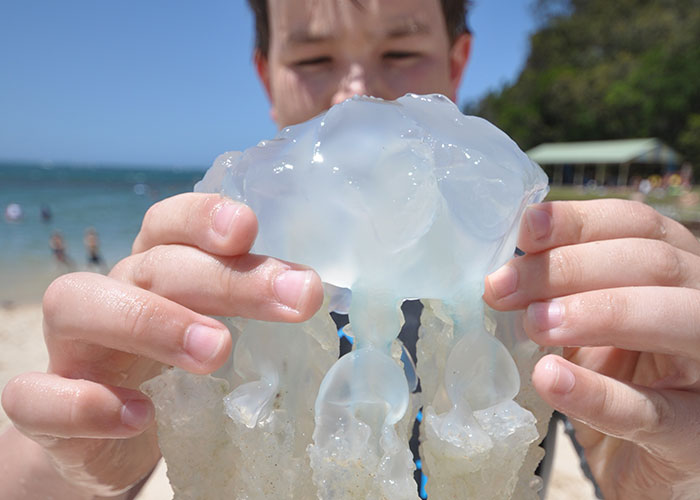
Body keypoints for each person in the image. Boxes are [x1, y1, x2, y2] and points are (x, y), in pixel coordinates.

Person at [1, 1, 699, 498]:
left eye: (399, 51)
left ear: (459, 62)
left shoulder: (531, 286)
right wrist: (85, 464)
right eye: (312, 57)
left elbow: (641, 468)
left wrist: (661, 472)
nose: (358, 91)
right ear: (263, 71)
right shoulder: (205, 292)